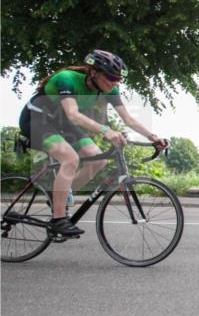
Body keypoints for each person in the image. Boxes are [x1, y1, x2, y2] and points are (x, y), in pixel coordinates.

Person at [17, 50, 169, 238]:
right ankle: (58, 219)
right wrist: (106, 130)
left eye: (118, 79)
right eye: (111, 77)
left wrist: (153, 137)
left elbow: (128, 119)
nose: (115, 83)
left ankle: (58, 197)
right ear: (93, 72)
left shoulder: (111, 89)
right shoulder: (67, 79)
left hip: (61, 122)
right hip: (36, 119)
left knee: (98, 160)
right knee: (70, 159)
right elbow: (73, 115)